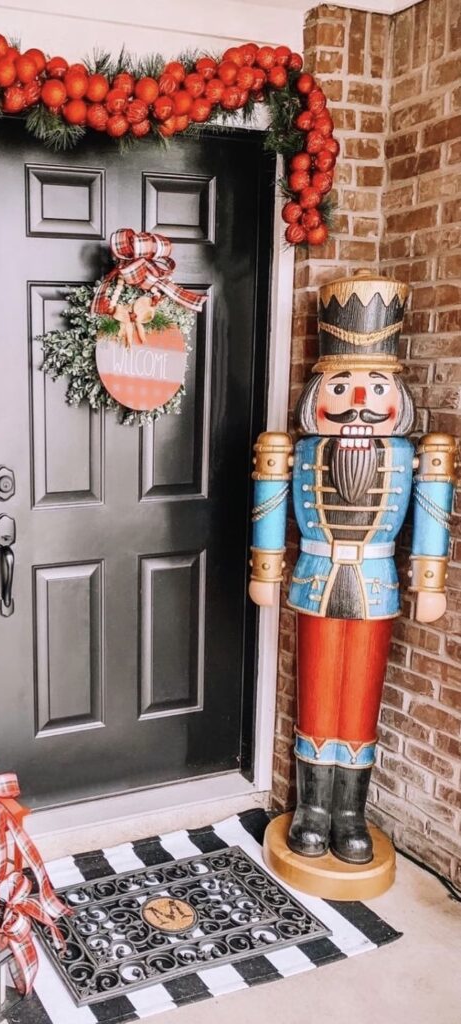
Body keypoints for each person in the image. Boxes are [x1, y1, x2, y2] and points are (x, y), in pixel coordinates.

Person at [249, 271, 456, 864]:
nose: (359, 401)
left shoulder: (415, 455)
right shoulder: (300, 448)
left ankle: (350, 813)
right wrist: (266, 569)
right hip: (316, 577)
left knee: (361, 697)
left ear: (399, 396)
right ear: (318, 396)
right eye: (341, 387)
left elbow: (430, 515)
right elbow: (269, 504)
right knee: (316, 692)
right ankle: (312, 811)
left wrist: (428, 577)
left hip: (375, 582)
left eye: (374, 387)